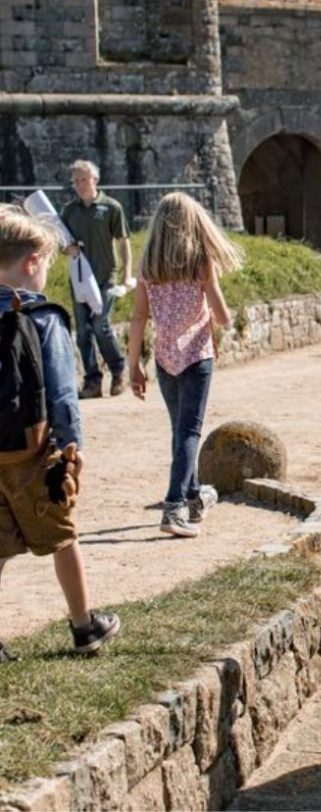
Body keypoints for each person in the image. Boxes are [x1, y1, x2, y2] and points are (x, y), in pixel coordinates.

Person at [0, 204, 120, 658]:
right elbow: (62, 394)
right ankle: (84, 625)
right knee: (63, 536)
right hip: (36, 451)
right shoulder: (45, 317)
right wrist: (73, 451)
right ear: (32, 261)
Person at [126, 193, 243, 538]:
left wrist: (132, 366)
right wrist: (213, 310)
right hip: (196, 356)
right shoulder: (201, 262)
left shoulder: (148, 266)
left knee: (180, 431)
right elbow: (221, 317)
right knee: (189, 432)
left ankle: (193, 498)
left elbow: (137, 318)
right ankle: (174, 506)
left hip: (164, 360)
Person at [60, 160, 134, 399]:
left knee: (101, 326)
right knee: (82, 332)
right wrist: (67, 250)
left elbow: (124, 242)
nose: (80, 185)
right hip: (79, 278)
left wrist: (126, 274)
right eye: (76, 181)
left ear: (95, 180)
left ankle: (119, 369)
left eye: (84, 179)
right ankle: (92, 381)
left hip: (106, 277)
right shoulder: (69, 211)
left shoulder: (111, 207)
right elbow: (61, 242)